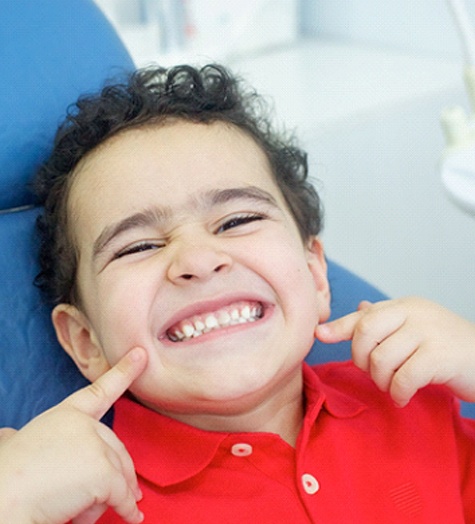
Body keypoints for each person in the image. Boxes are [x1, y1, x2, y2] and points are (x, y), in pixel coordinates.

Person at [0, 64, 475, 523]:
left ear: (315, 276)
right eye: (140, 246)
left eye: (237, 221)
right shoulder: (85, 502)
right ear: (86, 341)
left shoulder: (415, 406)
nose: (198, 260)